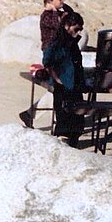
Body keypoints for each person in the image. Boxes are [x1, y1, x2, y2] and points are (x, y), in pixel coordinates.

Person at [20, 0, 76, 128]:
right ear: (51, 1)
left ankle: (30, 114)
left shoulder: (57, 13)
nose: (62, 0)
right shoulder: (46, 16)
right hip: (52, 54)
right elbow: (58, 26)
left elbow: (73, 19)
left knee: (58, 89)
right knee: (58, 87)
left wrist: (66, 9)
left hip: (60, 54)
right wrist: (60, 13)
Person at [42, 11, 86, 147]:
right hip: (63, 88)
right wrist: (57, 79)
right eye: (76, 29)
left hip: (75, 87)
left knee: (77, 122)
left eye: (80, 30)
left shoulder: (73, 44)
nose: (78, 32)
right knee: (64, 123)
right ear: (67, 26)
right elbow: (47, 62)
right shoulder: (57, 43)